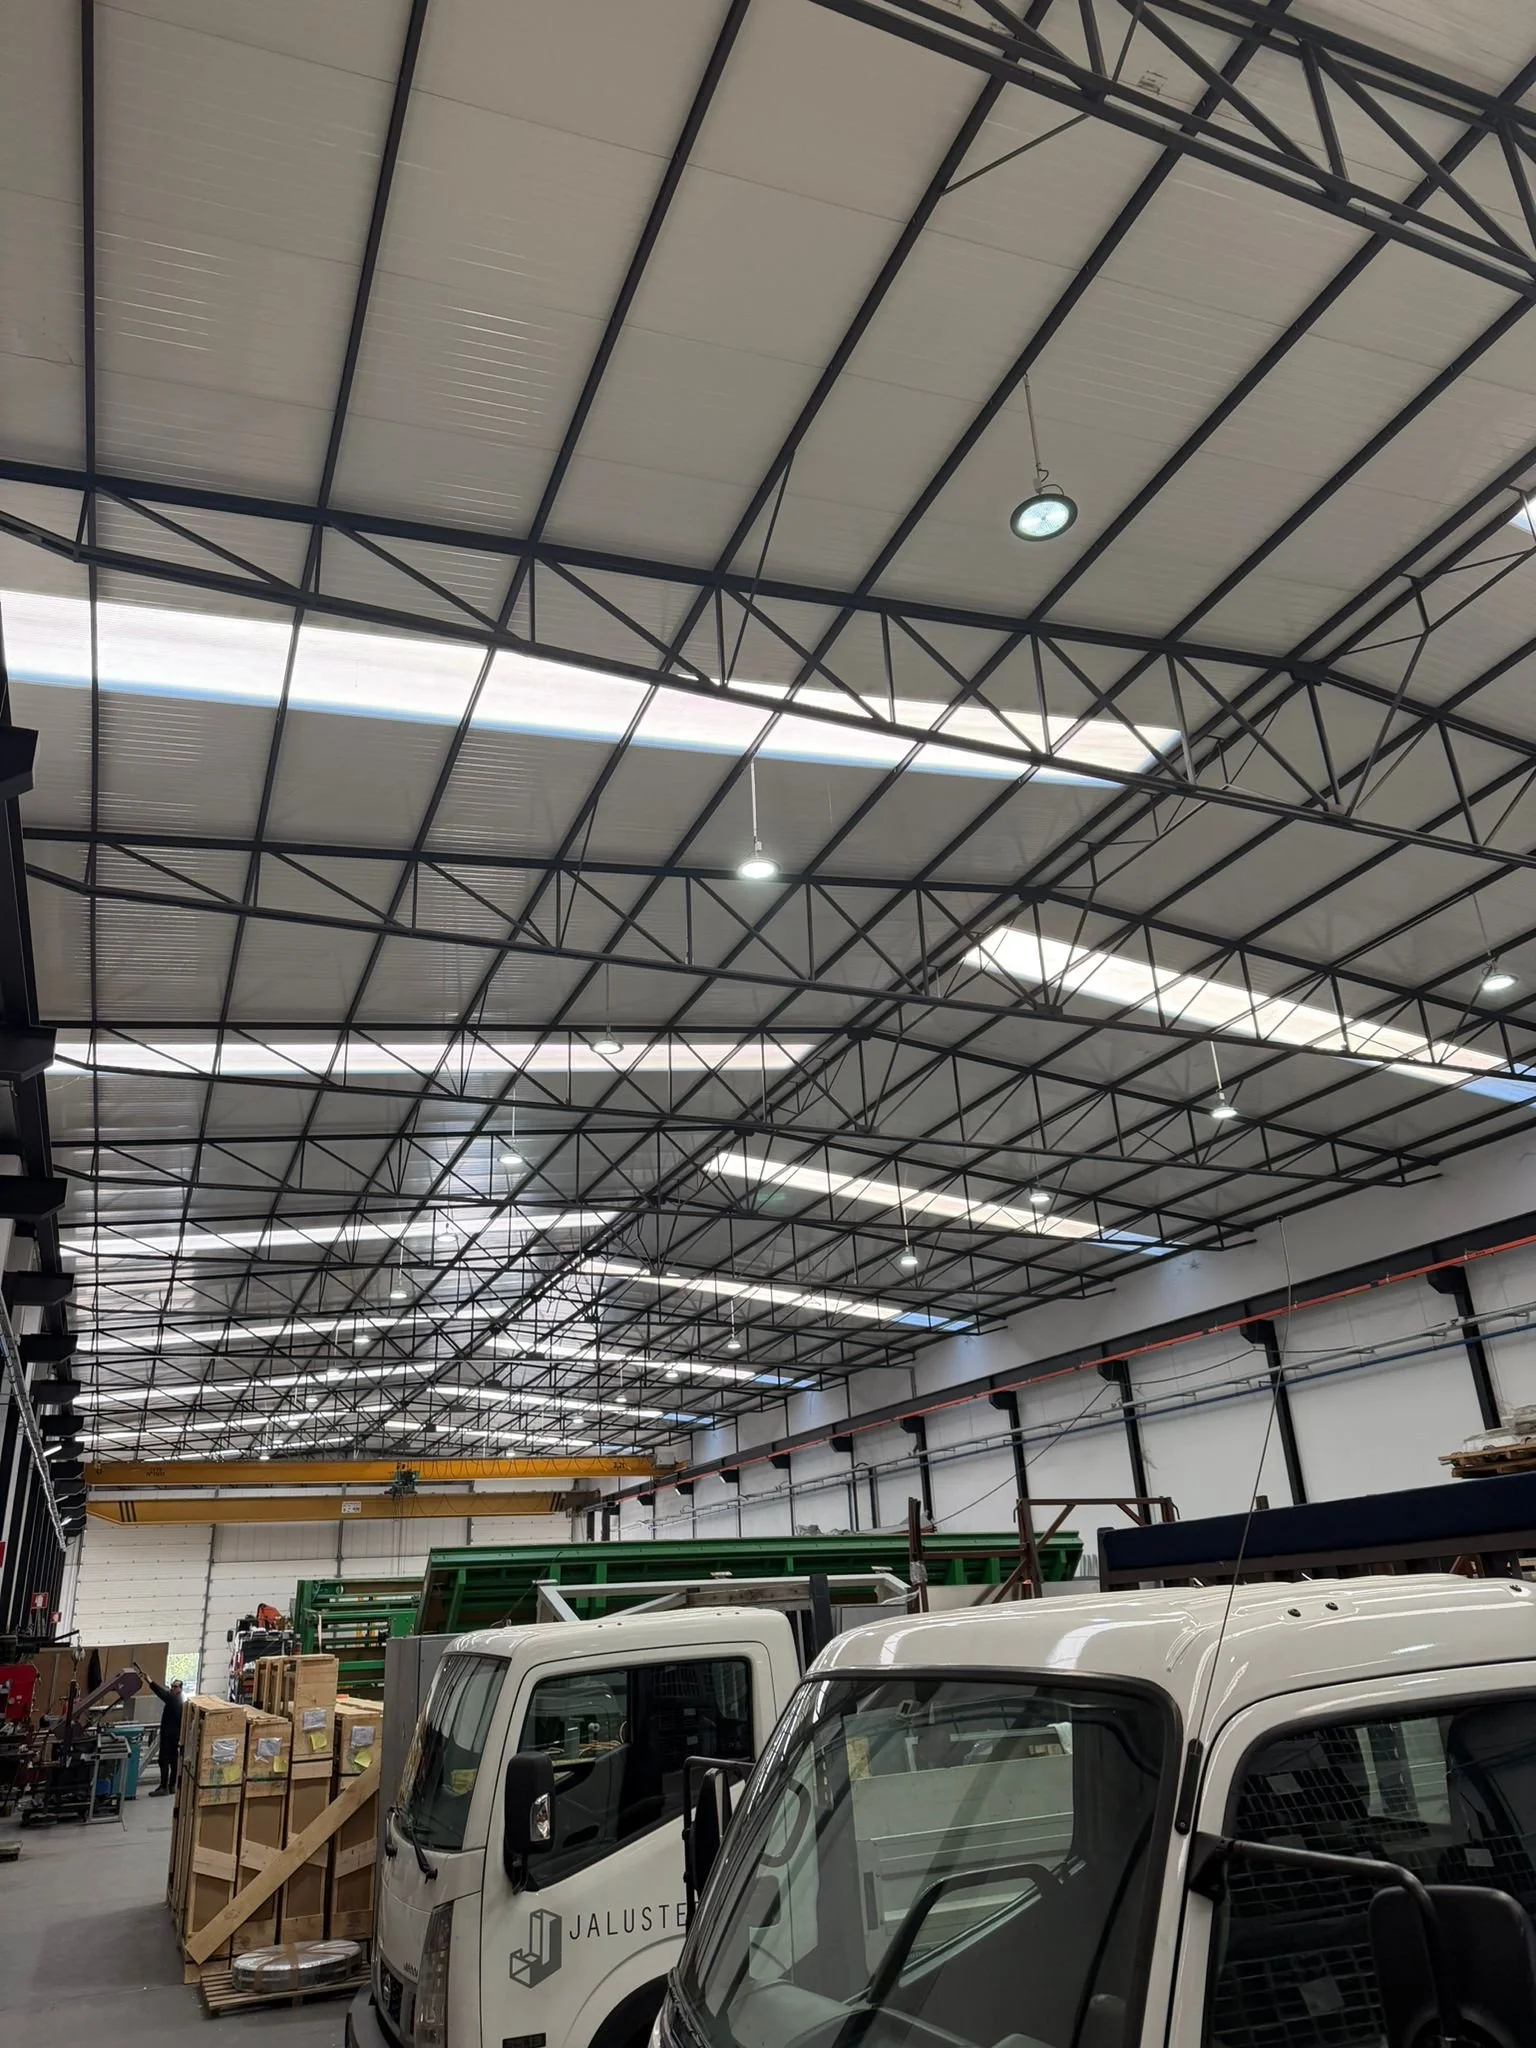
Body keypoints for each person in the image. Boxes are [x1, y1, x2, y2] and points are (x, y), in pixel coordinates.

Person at [137, 1666, 184, 1794]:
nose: (172, 1688)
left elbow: (160, 1692)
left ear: (180, 1689)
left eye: (175, 1687)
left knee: (163, 1760)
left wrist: (149, 1680)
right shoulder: (180, 1700)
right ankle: (172, 1786)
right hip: (175, 1735)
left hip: (169, 1736)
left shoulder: (174, 1699)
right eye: (172, 1686)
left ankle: (164, 1787)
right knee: (173, 1760)